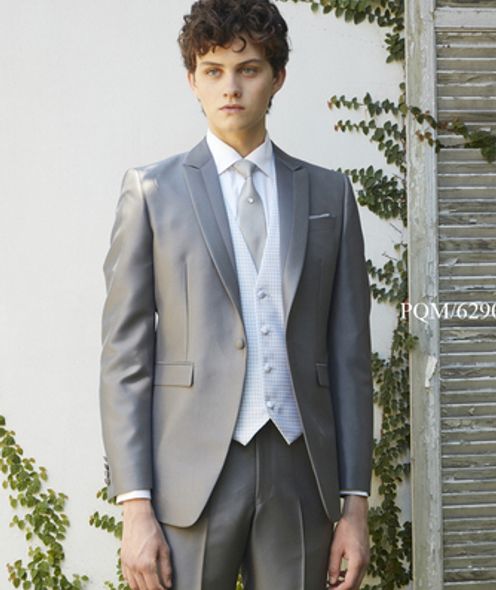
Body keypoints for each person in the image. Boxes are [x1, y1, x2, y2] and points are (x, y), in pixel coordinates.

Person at [99, 1, 374, 589]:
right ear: (192, 80)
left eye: (248, 69)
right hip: (189, 477)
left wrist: (355, 506)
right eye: (214, 70)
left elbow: (350, 360)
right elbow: (125, 359)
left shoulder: (331, 195)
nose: (231, 87)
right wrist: (135, 505)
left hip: (300, 472)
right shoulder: (152, 193)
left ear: (277, 77)